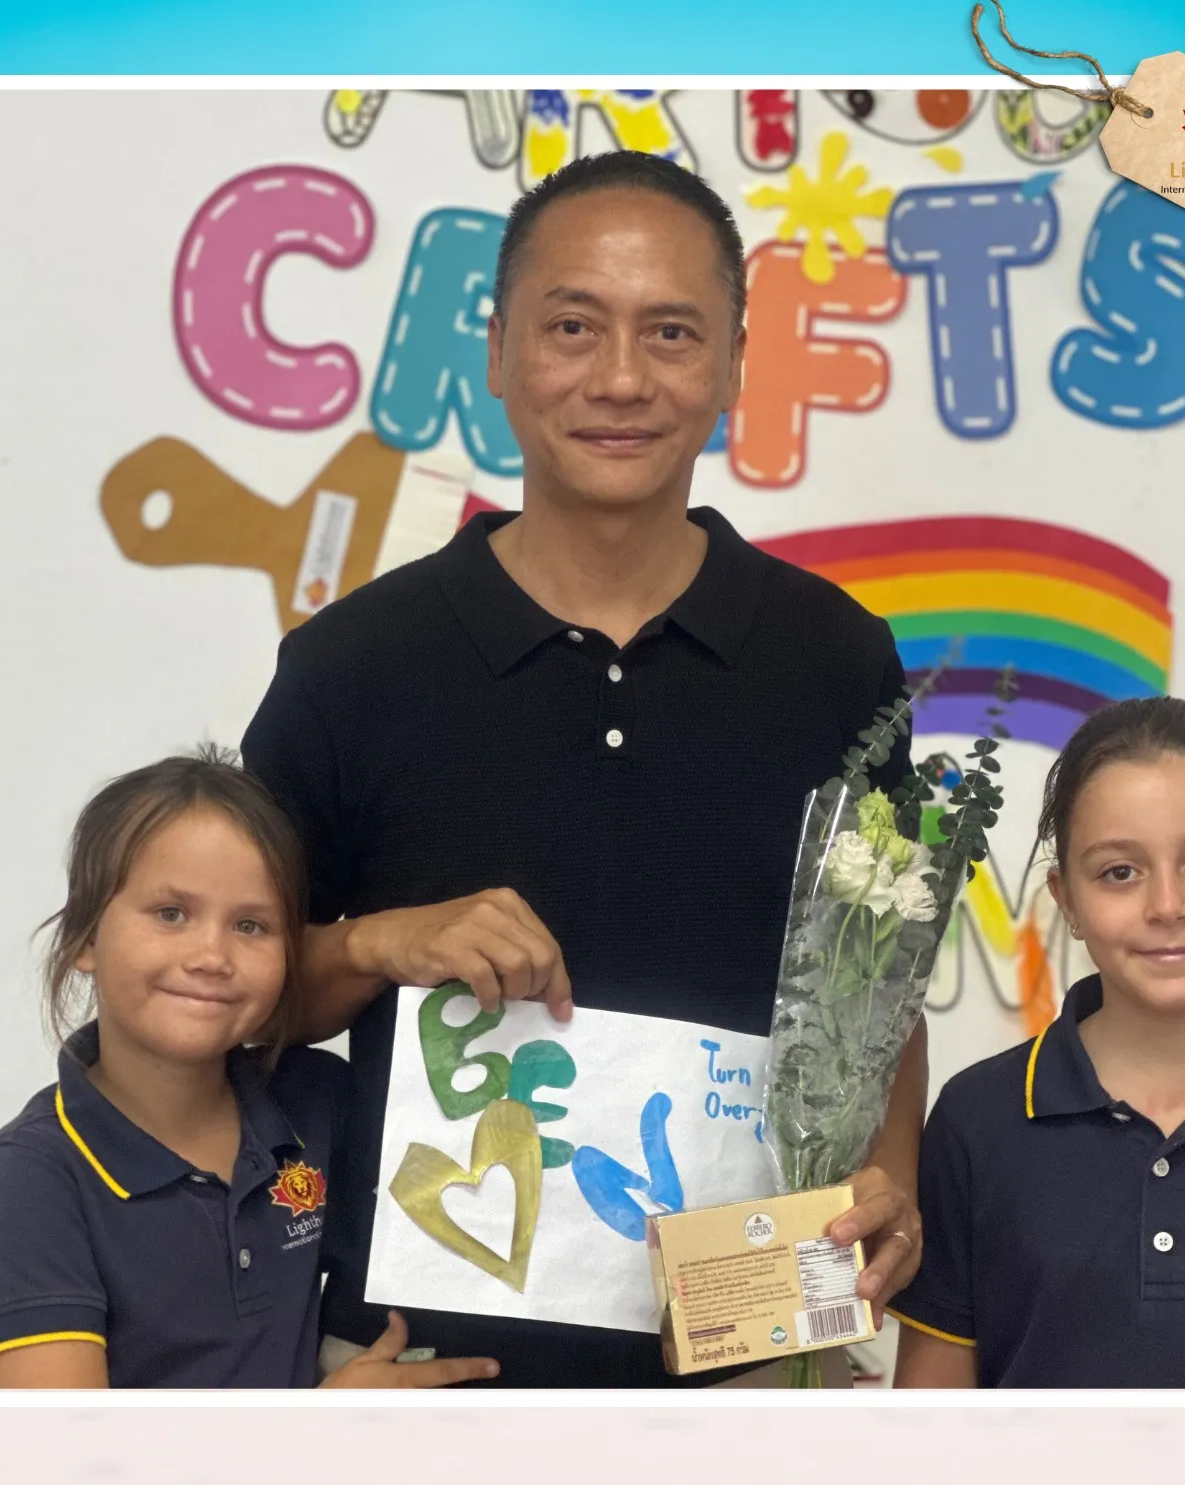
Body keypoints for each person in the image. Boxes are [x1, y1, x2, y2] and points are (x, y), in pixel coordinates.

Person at [241, 150, 927, 1388]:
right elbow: (231, 1005)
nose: (620, 378)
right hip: (420, 1372)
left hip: (752, 1354)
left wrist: (890, 1188)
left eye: (672, 332)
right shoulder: (352, 666)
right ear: (498, 351)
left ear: (734, 363)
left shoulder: (837, 661)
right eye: (572, 327)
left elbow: (872, 1000)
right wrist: (377, 942)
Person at [0, 748, 498, 1389]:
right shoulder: (30, 1177)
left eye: (250, 925)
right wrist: (324, 1426)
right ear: (84, 937)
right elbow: (60, 1441)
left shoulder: (315, 1100)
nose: (211, 956)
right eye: (171, 914)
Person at [890, 697, 1185, 1388]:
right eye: (1119, 872)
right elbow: (931, 1410)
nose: (1168, 905)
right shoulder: (978, 1120)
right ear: (1066, 900)